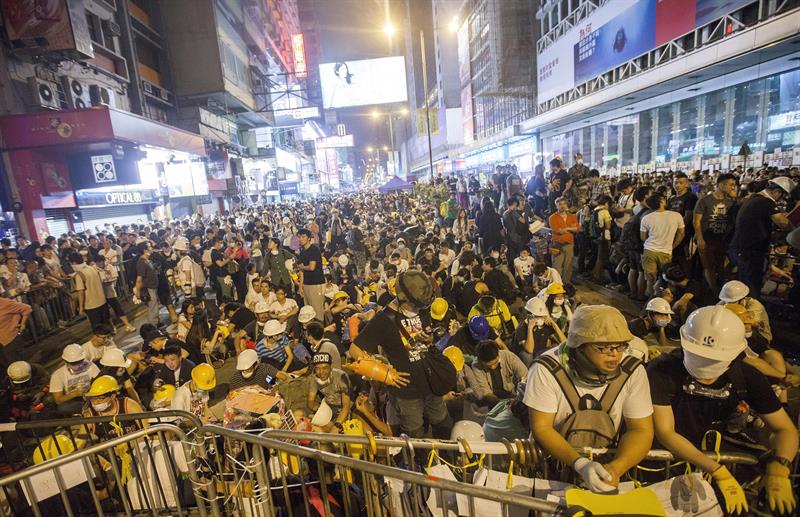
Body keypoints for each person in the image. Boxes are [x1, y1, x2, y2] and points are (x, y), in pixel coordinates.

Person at [647, 306, 797, 515]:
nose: (705, 367)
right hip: (673, 460)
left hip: (720, 453)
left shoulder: (746, 377)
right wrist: (717, 471)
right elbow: (665, 431)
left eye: (713, 359)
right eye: (700, 356)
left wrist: (780, 468)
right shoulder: (662, 371)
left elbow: (784, 429)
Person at [524, 305, 654, 493]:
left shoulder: (632, 370)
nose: (614, 354)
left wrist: (616, 468)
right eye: (603, 347)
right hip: (552, 466)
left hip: (608, 464)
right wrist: (580, 464)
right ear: (580, 346)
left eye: (620, 346)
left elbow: (641, 430)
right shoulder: (546, 369)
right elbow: (542, 427)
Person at [351, 270, 453, 438]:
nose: (419, 309)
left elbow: (428, 336)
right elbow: (355, 350)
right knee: (415, 434)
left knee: (443, 423)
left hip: (431, 382)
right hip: (407, 391)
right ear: (403, 296)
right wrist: (384, 373)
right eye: (416, 305)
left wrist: (428, 338)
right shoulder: (383, 320)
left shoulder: (421, 308)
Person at [729, 177, 795, 297]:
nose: (782, 200)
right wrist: (795, 232)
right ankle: (750, 312)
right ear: (776, 191)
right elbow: (782, 222)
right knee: (751, 287)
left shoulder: (752, 198)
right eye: (782, 196)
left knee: (745, 283)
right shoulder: (765, 201)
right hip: (749, 251)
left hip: (741, 248)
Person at [693, 173, 737, 293]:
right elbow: (696, 221)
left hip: (722, 239)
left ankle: (718, 288)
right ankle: (714, 292)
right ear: (721, 184)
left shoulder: (731, 202)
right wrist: (700, 238)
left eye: (734, 185)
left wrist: (735, 199)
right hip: (707, 238)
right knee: (709, 266)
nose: (733, 188)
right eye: (731, 185)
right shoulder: (705, 201)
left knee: (721, 265)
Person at [640, 193, 685, 297]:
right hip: (666, 251)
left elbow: (643, 237)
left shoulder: (646, 218)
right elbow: (681, 233)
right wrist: (673, 246)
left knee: (650, 280)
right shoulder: (676, 216)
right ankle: (662, 300)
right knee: (664, 279)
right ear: (661, 202)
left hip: (649, 251)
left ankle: (650, 300)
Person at [469, 340, 528, 406]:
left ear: (498, 354)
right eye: (488, 365)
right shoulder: (476, 365)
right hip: (493, 398)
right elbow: (485, 391)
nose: (492, 367)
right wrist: (501, 404)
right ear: (480, 360)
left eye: (495, 363)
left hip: (514, 394)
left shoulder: (509, 356)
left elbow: (525, 377)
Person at [512, 297, 566, 366]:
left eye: (542, 316)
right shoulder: (522, 328)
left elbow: (564, 342)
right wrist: (530, 328)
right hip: (527, 357)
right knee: (527, 355)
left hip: (540, 352)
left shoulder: (546, 325)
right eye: (537, 316)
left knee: (556, 346)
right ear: (529, 316)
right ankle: (531, 374)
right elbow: (529, 350)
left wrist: (554, 324)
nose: (541, 319)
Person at [50, 343, 101, 416]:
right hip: (74, 400)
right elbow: (58, 400)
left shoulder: (91, 366)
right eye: (74, 363)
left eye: (81, 361)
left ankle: (90, 410)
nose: (79, 365)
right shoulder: (58, 375)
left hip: (92, 397)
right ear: (66, 362)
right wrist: (76, 393)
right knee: (63, 408)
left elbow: (100, 381)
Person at [307, 352, 351, 432]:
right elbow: (310, 401)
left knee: (327, 432)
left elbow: (346, 406)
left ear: (331, 367)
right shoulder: (314, 379)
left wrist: (337, 425)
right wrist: (319, 409)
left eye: (325, 368)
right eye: (317, 368)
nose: (321, 372)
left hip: (345, 411)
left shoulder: (341, 377)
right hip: (329, 408)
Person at [70, 251, 109, 327]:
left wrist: (81, 307)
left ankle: (104, 338)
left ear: (74, 262)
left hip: (91, 304)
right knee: (105, 323)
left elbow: (81, 292)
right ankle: (109, 337)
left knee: (97, 326)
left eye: (71, 263)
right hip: (102, 300)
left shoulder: (79, 274)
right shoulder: (92, 268)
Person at [297, 229, 326, 321]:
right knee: (308, 310)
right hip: (307, 283)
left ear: (309, 238)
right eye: (299, 237)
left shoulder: (314, 250)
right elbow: (302, 272)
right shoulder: (302, 252)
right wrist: (300, 286)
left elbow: (311, 267)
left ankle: (319, 331)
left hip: (316, 283)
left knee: (317, 311)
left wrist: (302, 267)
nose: (301, 239)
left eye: (303, 237)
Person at [549, 197, 578, 285]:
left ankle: (566, 285)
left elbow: (577, 229)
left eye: (564, 204)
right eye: (560, 204)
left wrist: (567, 228)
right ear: (556, 206)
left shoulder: (572, 216)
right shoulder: (552, 217)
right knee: (557, 267)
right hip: (558, 245)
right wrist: (570, 229)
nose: (562, 206)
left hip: (569, 244)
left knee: (568, 266)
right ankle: (557, 284)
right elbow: (558, 230)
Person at [133, 242, 161, 326]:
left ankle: (156, 324)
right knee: (153, 309)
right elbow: (139, 279)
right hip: (149, 289)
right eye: (149, 247)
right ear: (145, 250)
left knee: (154, 307)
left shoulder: (147, 260)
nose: (151, 248)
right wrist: (137, 292)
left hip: (153, 287)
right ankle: (154, 327)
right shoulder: (142, 262)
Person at [0, 297, 31, 369]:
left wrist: (22, 324)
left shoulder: (4, 303)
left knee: (17, 366)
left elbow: (27, 308)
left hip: (10, 338)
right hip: (2, 343)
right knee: (6, 368)